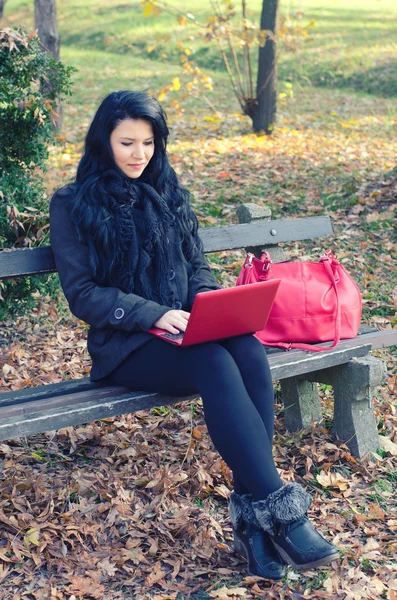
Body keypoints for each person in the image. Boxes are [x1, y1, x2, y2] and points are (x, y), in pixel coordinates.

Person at [50, 90, 339, 580]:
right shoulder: (73, 204)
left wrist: (211, 307)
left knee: (246, 348)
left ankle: (252, 527)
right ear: (103, 143)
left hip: (189, 332)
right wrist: (154, 315)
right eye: (127, 143)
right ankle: (282, 514)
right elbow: (82, 294)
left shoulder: (169, 192)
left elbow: (198, 269)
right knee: (212, 361)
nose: (139, 154)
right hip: (128, 345)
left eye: (148, 143)